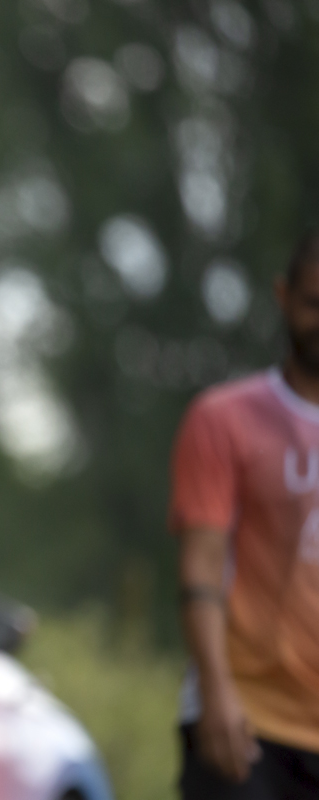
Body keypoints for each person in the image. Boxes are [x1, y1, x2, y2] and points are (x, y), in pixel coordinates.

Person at [170, 231, 319, 799]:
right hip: (245, 721)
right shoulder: (225, 419)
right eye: (313, 304)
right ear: (283, 297)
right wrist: (215, 692)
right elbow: (202, 568)